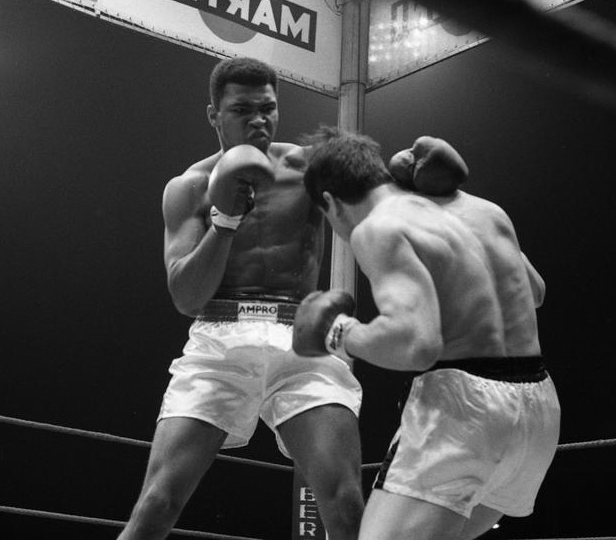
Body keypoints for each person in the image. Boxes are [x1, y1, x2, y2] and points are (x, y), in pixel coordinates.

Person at [118, 59, 364, 540]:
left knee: (346, 502)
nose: (259, 121)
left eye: (268, 109)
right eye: (243, 110)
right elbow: (186, 296)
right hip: (219, 339)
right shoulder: (188, 188)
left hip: (302, 341)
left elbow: (376, 219)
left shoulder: (310, 169)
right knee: (157, 503)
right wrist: (225, 221)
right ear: (214, 115)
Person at [294, 127, 560, 540]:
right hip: (539, 412)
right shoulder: (483, 210)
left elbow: (415, 344)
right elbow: (537, 292)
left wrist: (340, 333)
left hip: (465, 411)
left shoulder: (377, 228)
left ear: (330, 202)